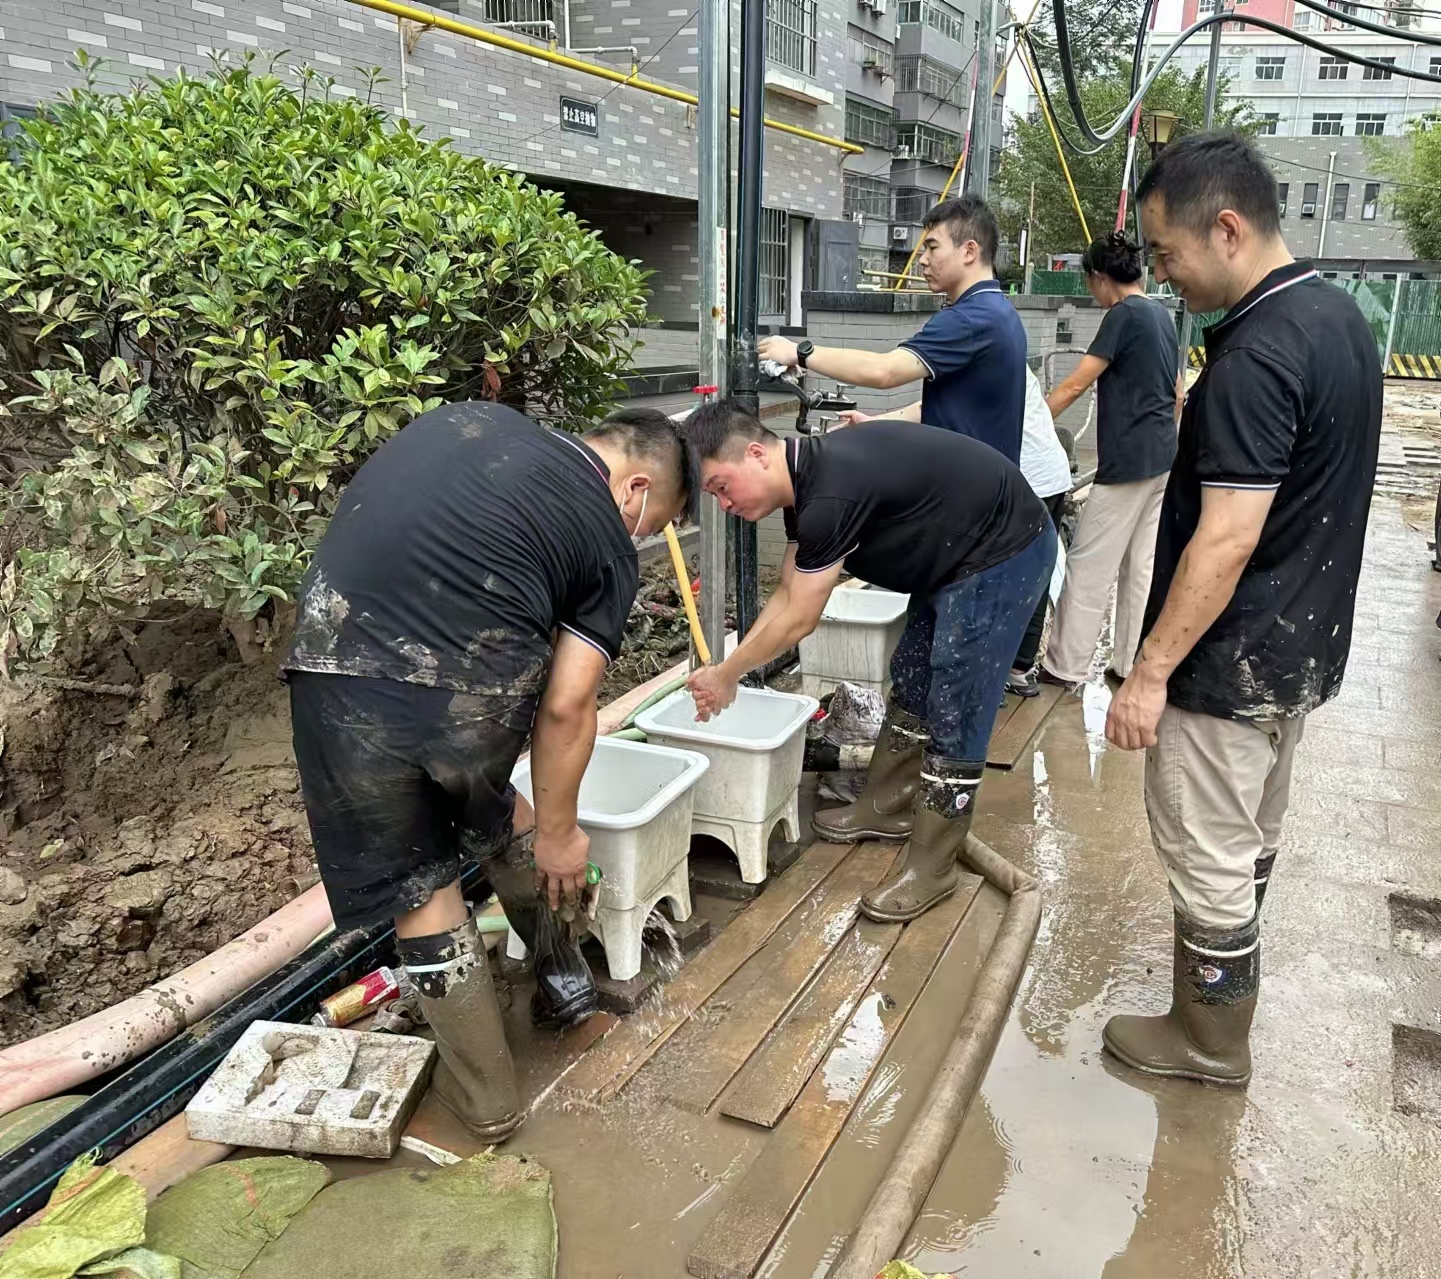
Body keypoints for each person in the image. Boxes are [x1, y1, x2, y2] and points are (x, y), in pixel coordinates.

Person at [282, 400, 693, 1136]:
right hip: (470, 691)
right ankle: (541, 1024)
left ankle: (501, 1071)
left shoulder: (470, 421)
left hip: (331, 666)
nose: (642, 530)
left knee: (425, 878)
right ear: (634, 488)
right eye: (655, 517)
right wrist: (564, 832)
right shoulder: (605, 536)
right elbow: (568, 705)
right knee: (468, 855)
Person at [1103, 133, 1381, 1085]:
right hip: (1296, 648)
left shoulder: (1259, 351)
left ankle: (1209, 1038)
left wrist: (1148, 673)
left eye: (1169, 253)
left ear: (1225, 228)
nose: (1165, 275)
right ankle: (1218, 1000)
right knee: (1250, 835)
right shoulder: (1336, 317)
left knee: (1208, 847)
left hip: (1230, 661)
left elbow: (1223, 538)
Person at [681, 400, 1056, 923]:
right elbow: (789, 594)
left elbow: (799, 620)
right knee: (912, 673)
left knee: (956, 701)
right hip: (953, 555)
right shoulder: (806, 485)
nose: (722, 504)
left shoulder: (831, 490)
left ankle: (934, 865)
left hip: (1003, 552)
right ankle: (890, 805)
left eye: (721, 486)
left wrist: (727, 674)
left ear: (757, 454)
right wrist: (728, 668)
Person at [755, 195, 1027, 463]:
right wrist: (873, 424)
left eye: (932, 247)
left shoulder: (969, 318)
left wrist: (798, 352)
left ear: (969, 251)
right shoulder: (1000, 312)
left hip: (972, 495)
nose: (922, 259)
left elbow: (884, 371)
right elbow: (939, 409)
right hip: (989, 487)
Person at [1040, 231, 1182, 688]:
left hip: (1128, 465)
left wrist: (1029, 423)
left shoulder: (1122, 316)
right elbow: (1178, 395)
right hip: (1163, 457)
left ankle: (1064, 666)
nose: (1090, 293)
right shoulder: (1161, 314)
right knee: (1138, 566)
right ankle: (1127, 663)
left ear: (1101, 278)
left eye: (1089, 283)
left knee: (1087, 565)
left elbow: (1075, 385)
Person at [1008, 366, 1074, 697]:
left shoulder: (976, 355)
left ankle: (994, 673)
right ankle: (1019, 669)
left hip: (1028, 481)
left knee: (1001, 572)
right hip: (1052, 474)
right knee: (1036, 571)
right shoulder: (1011, 351)